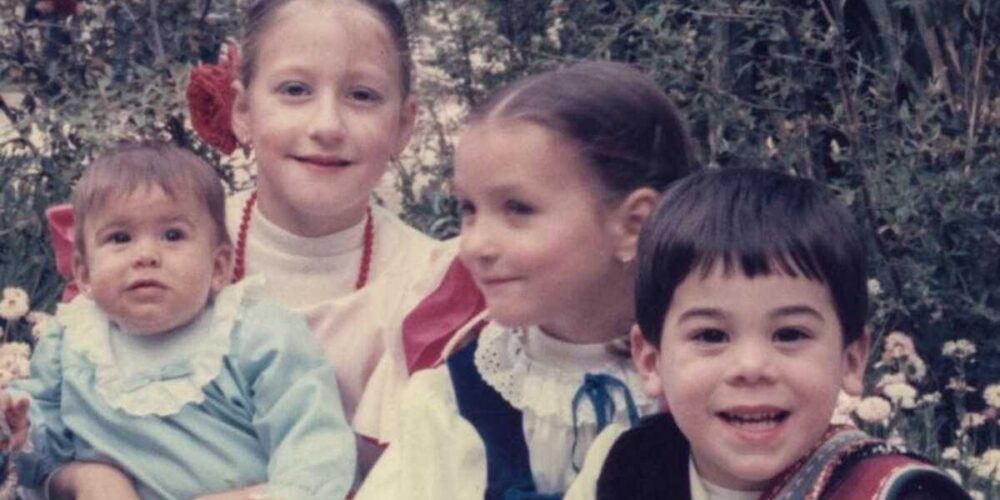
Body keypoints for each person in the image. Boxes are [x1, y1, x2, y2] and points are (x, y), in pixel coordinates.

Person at [44, 1, 484, 490]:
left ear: (403, 124)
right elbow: (62, 419)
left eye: (362, 95)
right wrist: (79, 476)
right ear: (244, 111)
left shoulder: (430, 292)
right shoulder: (157, 246)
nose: (327, 125)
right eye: (295, 90)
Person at [357, 60, 699, 498]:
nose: (475, 244)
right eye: (469, 209)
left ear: (634, 224)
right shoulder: (461, 400)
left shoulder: (711, 388)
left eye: (517, 209)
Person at [565, 168, 971, 500]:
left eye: (790, 334)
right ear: (651, 361)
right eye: (711, 336)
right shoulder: (624, 468)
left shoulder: (894, 492)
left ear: (851, 359)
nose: (752, 366)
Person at [1, 141, 356, 500]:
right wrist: (20, 429)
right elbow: (44, 462)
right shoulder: (72, 341)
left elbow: (316, 448)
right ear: (84, 273)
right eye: (120, 238)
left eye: (173, 235)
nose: (146, 255)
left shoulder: (257, 334)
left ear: (218, 267)